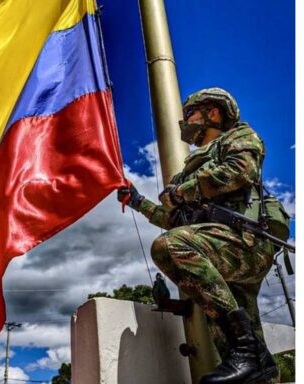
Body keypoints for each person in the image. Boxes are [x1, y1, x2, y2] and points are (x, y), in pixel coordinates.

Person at [118, 88, 287, 384]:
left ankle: (251, 352)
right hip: (219, 248)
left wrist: (180, 192)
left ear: (213, 112)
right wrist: (136, 201)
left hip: (243, 241)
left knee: (171, 246)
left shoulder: (238, 136)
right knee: (237, 358)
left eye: (190, 114)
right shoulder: (193, 170)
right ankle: (254, 360)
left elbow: (239, 171)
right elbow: (172, 219)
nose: (185, 122)